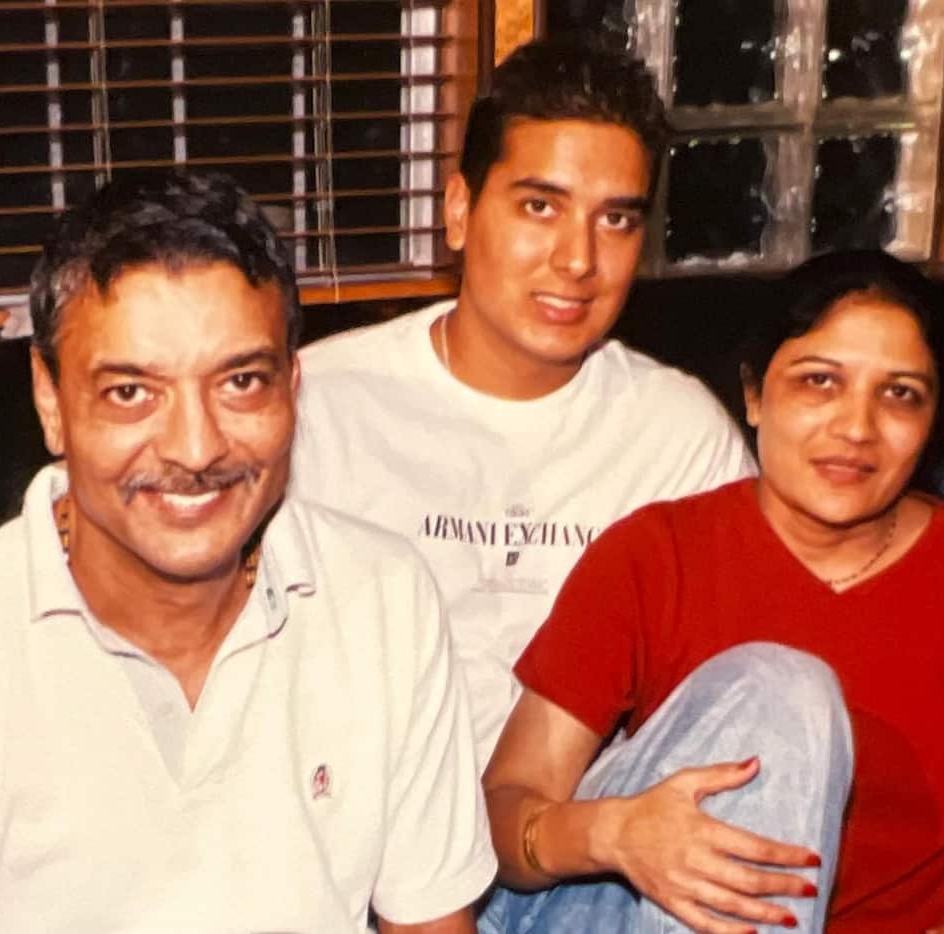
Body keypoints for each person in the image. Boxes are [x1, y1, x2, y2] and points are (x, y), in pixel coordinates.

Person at [0, 172, 496, 933]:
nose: (195, 448)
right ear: (51, 402)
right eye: (131, 392)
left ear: (294, 388)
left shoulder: (384, 603)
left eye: (242, 382)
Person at [482, 251, 944, 934]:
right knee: (785, 687)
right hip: (638, 913)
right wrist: (613, 833)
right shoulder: (656, 555)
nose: (856, 427)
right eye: (818, 382)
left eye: (899, 394)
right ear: (753, 395)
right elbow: (507, 809)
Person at [291, 35, 754, 774]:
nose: (578, 259)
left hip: (592, 859)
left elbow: (731, 701)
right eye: (541, 206)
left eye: (617, 220)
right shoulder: (319, 408)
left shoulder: (681, 438)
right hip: (367, 846)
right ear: (458, 210)